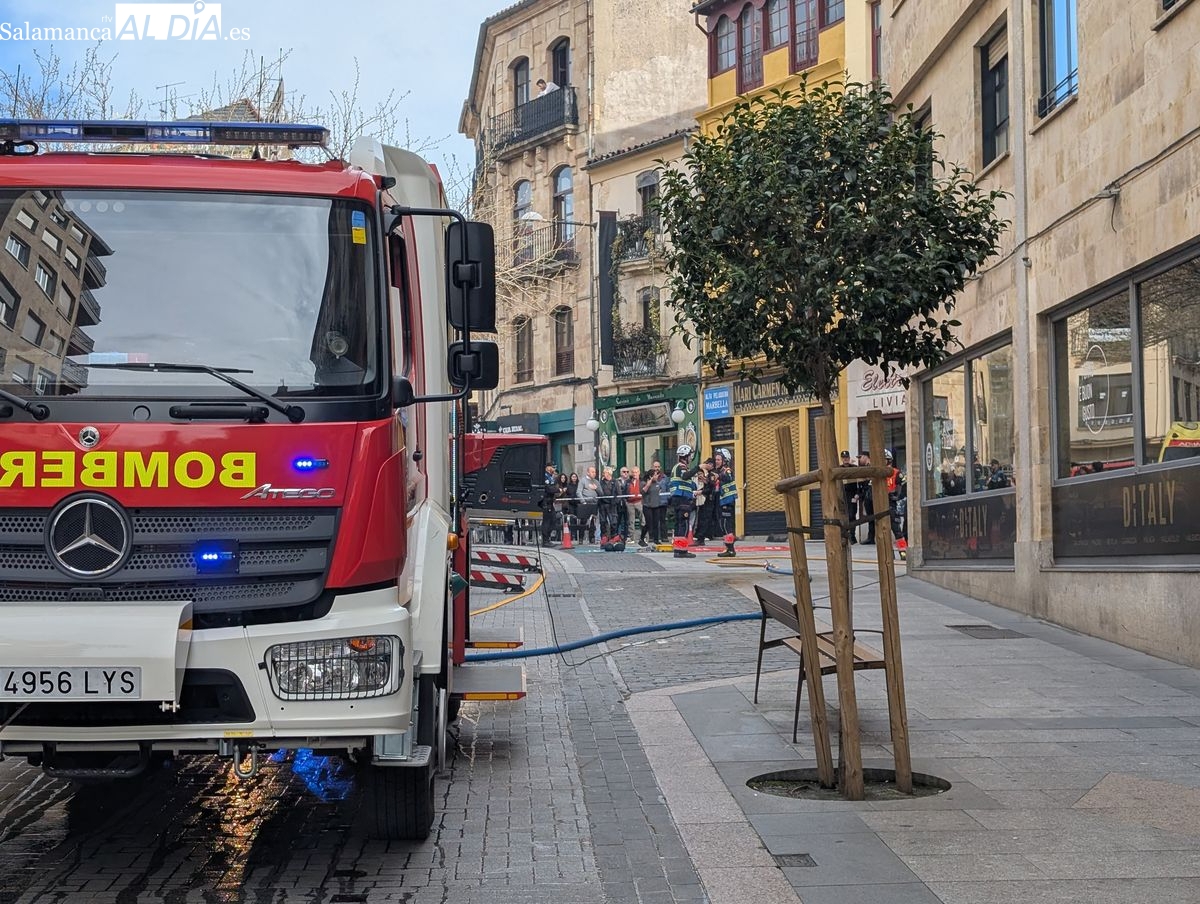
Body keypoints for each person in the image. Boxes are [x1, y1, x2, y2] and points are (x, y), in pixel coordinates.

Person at [668, 445, 699, 558]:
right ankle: (682, 551)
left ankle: (678, 549)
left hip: (678, 499)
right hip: (682, 499)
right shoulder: (681, 466)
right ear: (685, 456)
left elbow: (688, 483)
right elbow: (685, 476)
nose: (690, 458)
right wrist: (698, 467)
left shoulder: (676, 467)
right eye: (690, 455)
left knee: (678, 525)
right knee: (684, 525)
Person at [712, 448, 739, 558]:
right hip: (722, 502)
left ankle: (731, 549)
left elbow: (728, 478)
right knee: (723, 524)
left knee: (726, 525)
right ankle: (728, 547)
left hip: (728, 502)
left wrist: (719, 476)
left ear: (725, 460)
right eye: (716, 459)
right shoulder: (719, 472)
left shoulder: (727, 471)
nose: (716, 461)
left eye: (718, 459)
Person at [641, 461, 666, 545]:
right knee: (648, 523)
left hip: (656, 506)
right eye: (655, 475)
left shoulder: (657, 484)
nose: (657, 476)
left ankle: (656, 539)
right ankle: (642, 538)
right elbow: (643, 492)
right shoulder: (644, 483)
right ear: (651, 476)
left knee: (656, 523)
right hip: (647, 506)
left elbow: (660, 491)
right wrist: (648, 484)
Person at [857, 451, 875, 545]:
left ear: (865, 457)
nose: (859, 460)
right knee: (870, 517)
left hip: (873, 495)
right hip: (868, 495)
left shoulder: (871, 466)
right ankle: (871, 537)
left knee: (873, 517)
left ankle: (872, 537)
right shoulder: (864, 468)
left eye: (860, 457)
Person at [578, 465, 600, 543]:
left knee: (593, 521)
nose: (594, 473)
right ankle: (581, 537)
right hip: (585, 503)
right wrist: (583, 501)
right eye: (592, 472)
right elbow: (579, 492)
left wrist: (596, 488)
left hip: (594, 503)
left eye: (595, 472)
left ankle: (592, 537)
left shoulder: (596, 482)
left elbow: (601, 493)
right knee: (583, 520)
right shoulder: (583, 481)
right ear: (588, 472)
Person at [841, 451, 858, 545]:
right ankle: (845, 535)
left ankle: (852, 535)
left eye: (847, 457)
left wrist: (858, 494)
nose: (845, 459)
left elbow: (859, 482)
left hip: (852, 494)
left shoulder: (854, 468)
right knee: (843, 515)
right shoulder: (839, 469)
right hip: (842, 494)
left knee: (852, 515)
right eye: (844, 458)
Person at [626, 465, 646, 545]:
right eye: (633, 472)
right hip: (630, 503)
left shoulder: (642, 482)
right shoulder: (628, 482)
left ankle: (644, 537)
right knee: (631, 521)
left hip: (639, 502)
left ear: (639, 473)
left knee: (643, 520)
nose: (634, 474)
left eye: (636, 472)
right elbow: (625, 492)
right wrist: (626, 501)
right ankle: (632, 538)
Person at [540, 462, 559, 546]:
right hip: (546, 501)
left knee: (553, 520)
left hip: (551, 501)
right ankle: (545, 540)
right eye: (552, 467)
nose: (553, 469)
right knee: (547, 521)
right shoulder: (544, 476)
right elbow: (549, 489)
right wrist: (557, 489)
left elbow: (554, 486)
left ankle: (548, 538)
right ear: (548, 467)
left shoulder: (551, 477)